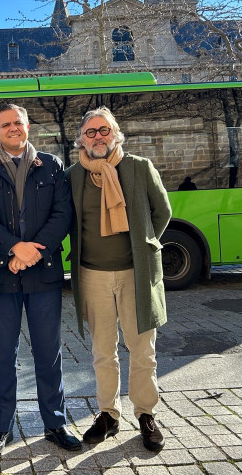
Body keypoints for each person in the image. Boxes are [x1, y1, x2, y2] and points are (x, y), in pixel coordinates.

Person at [0, 103, 80, 456]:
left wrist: (34, 251)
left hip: (43, 274)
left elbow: (63, 214)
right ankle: (2, 428)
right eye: (5, 124)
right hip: (1, 277)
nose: (13, 128)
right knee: (2, 356)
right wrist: (14, 249)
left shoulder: (52, 165)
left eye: (18, 122)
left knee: (49, 354)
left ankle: (56, 422)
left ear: (28, 126)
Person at [65, 106, 172, 451]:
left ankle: (146, 415)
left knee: (142, 349)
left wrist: (144, 247)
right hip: (92, 276)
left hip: (135, 275)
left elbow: (163, 211)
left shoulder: (138, 168)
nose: (98, 136)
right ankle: (109, 415)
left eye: (104, 130)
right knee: (102, 351)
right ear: (81, 138)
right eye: (91, 131)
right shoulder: (73, 176)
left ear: (116, 134)